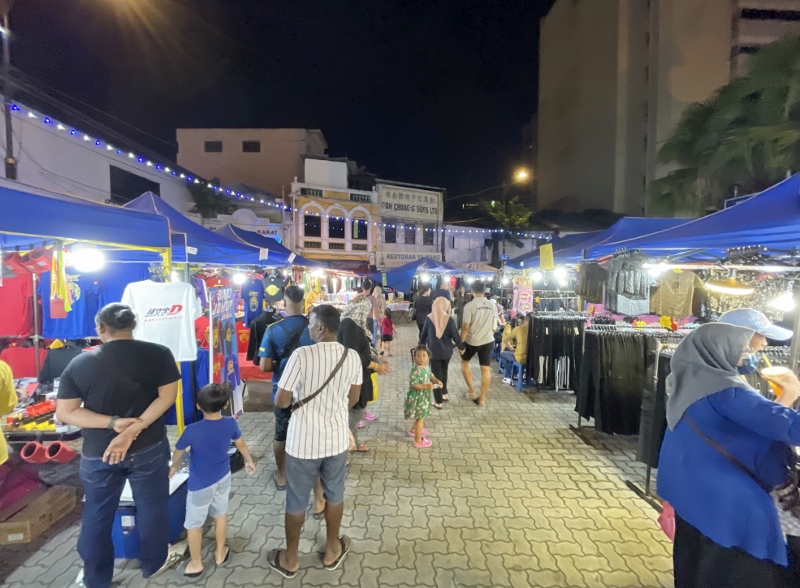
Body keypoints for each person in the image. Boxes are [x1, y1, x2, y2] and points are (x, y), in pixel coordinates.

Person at [658, 310, 800, 587]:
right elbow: (790, 427)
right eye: (756, 339)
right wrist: (792, 391)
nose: (760, 347)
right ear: (731, 341)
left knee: (693, 568)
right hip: (728, 512)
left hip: (691, 496)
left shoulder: (690, 378)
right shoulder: (728, 390)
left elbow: (749, 423)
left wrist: (783, 396)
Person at [55, 304, 184, 588]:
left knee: (97, 514)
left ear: (100, 328)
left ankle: (96, 578)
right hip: (148, 446)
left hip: (99, 452)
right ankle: (153, 564)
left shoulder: (79, 363)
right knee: (152, 507)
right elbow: (167, 397)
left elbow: (66, 413)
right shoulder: (159, 353)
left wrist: (114, 424)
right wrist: (134, 428)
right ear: (133, 325)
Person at [267, 305, 362, 579]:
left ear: (321, 327)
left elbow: (281, 400)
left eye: (311, 323)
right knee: (335, 495)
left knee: (296, 499)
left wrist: (302, 402)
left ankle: (291, 559)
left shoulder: (301, 355)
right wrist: (332, 407)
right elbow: (353, 399)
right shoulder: (351, 357)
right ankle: (332, 550)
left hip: (302, 442)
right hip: (335, 440)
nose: (308, 327)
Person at [169, 383, 257, 579]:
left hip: (199, 484)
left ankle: (196, 562)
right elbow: (241, 444)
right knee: (220, 514)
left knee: (193, 524)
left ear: (198, 406)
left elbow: (179, 451)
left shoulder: (192, 430)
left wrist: (174, 466)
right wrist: (249, 461)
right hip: (223, 477)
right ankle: (219, 553)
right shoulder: (230, 423)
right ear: (225, 404)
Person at [259, 286, 313, 492]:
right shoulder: (315, 327)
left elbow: (264, 366)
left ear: (284, 301)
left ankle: (282, 476)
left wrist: (281, 365)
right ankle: (309, 474)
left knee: (281, 432)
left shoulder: (273, 329)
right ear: (304, 301)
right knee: (310, 431)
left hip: (283, 390)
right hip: (311, 390)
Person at [338, 296, 390, 453]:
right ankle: (342, 446)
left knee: (357, 410)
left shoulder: (354, 324)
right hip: (354, 377)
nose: (367, 314)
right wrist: (375, 365)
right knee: (356, 411)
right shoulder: (349, 325)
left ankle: (353, 443)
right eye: (366, 310)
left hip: (360, 376)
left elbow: (364, 346)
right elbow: (351, 354)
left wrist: (377, 357)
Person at [419, 296, 464, 409]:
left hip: (434, 353)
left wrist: (420, 348)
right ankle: (443, 393)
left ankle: (438, 401)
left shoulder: (429, 318)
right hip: (447, 352)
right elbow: (455, 336)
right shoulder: (449, 319)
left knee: (435, 376)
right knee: (444, 371)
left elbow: (423, 335)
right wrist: (461, 347)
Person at [460, 280, 497, 407]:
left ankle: (471, 390)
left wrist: (461, 342)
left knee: (465, 363)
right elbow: (494, 325)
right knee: (485, 369)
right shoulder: (492, 304)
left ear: (472, 290)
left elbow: (465, 327)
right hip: (488, 340)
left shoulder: (469, 306)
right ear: (485, 290)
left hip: (472, 341)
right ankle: (482, 399)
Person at [405, 346, 441, 448]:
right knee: (420, 418)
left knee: (420, 415)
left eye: (424, 356)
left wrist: (437, 381)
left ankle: (413, 430)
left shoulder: (426, 368)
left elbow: (431, 377)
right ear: (413, 358)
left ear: (428, 357)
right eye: (418, 356)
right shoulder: (415, 370)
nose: (421, 358)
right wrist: (427, 386)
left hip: (424, 397)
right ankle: (417, 440)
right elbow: (414, 384)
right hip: (417, 397)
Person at [501, 315, 529, 383]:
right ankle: (518, 374)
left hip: (520, 357)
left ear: (525, 320)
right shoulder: (535, 329)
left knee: (503, 354)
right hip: (531, 358)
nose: (520, 323)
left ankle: (509, 376)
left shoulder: (518, 329)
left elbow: (505, 340)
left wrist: (512, 349)